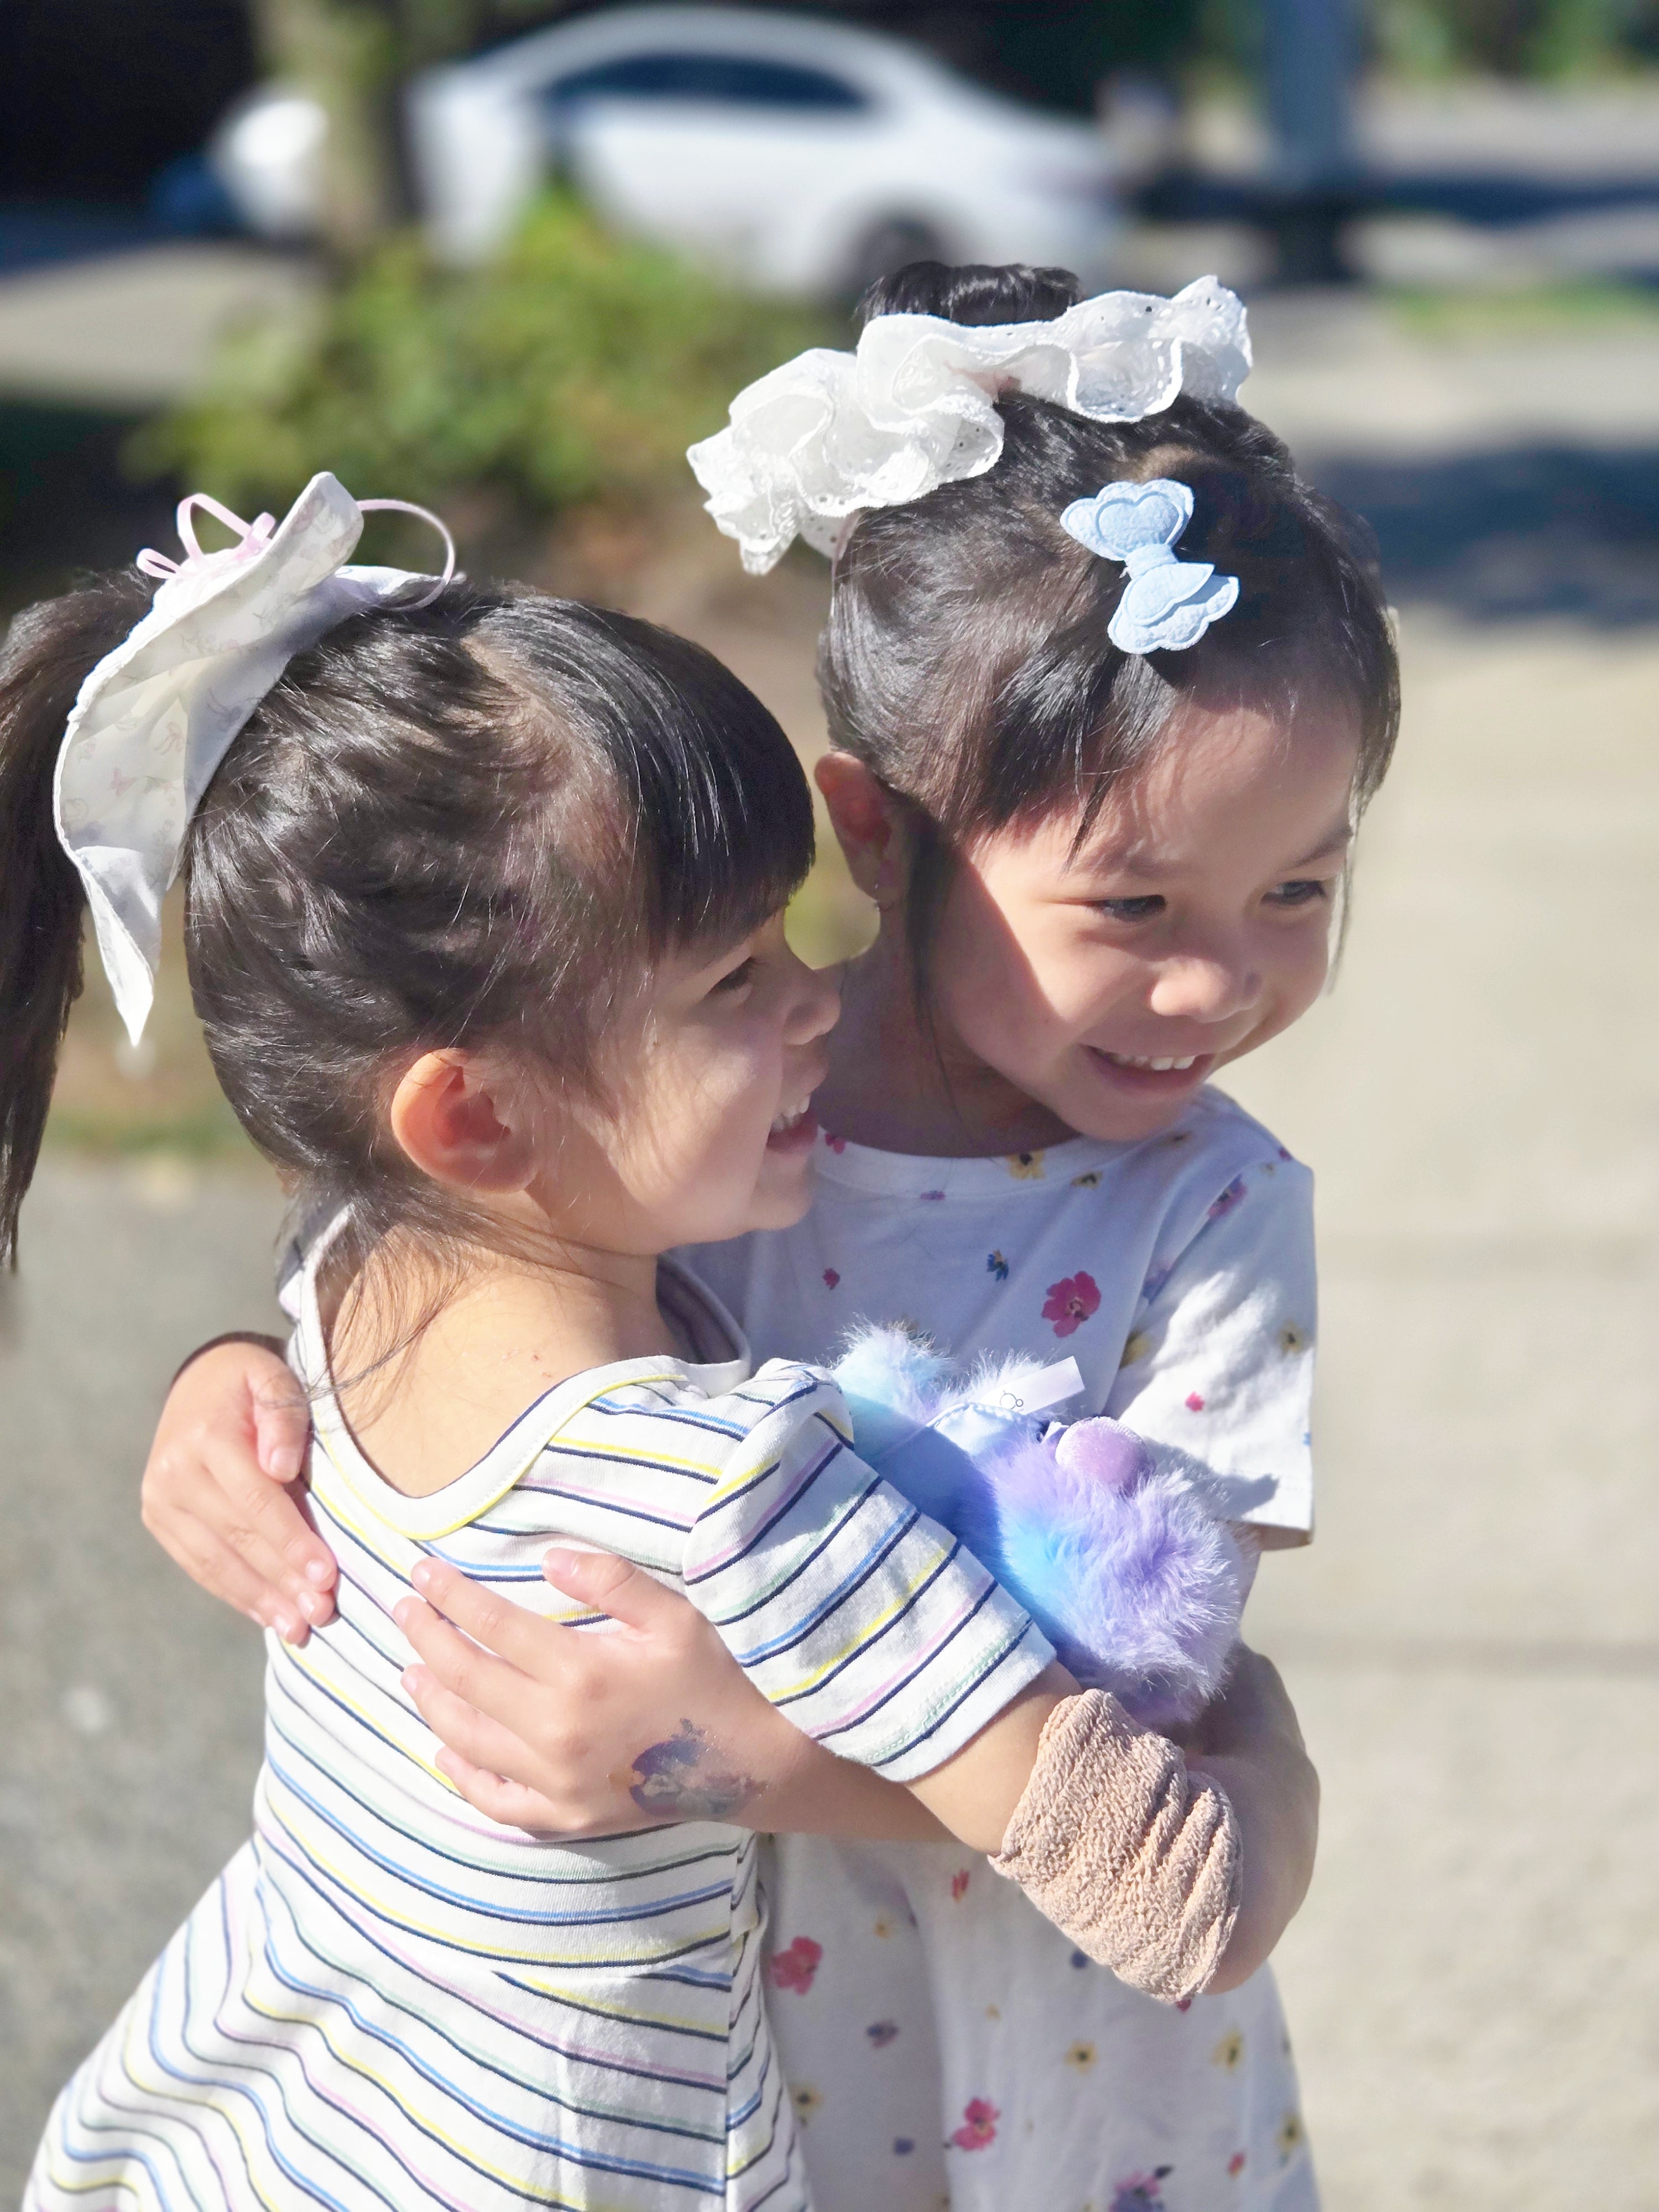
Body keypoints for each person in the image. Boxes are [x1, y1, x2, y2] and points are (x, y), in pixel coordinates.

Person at [138, 259, 1378, 2209]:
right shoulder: (699, 1109)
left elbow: (1172, 1718)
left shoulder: (1207, 1209)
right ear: (875, 835)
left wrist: (727, 1758)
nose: (1222, 985)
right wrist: (235, 1375)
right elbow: (452, 1238)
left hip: (1021, 2019)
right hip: (694, 2030)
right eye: (1134, 911)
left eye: (1302, 884)